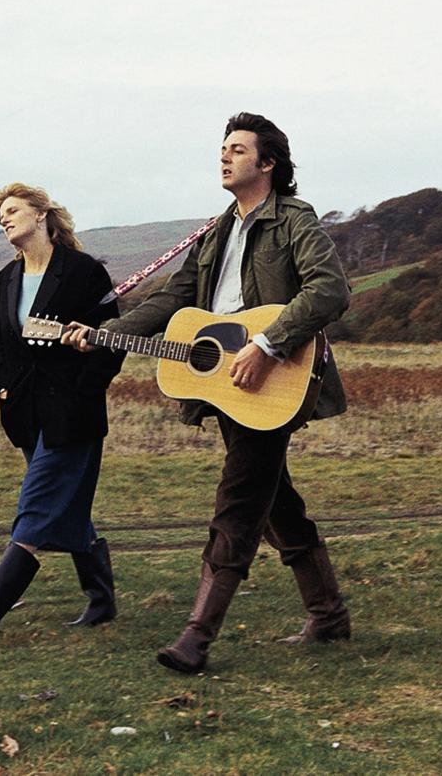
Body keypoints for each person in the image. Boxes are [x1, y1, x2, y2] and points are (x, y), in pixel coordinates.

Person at [65, 113, 352, 673]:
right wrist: (104, 336)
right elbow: (173, 300)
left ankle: (197, 636)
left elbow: (330, 290)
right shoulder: (215, 232)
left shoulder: (294, 219)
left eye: (238, 150)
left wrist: (267, 344)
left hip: (273, 374)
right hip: (225, 385)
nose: (224, 157)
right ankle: (329, 613)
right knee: (276, 501)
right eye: (223, 149)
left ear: (267, 164)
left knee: (240, 500)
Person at [0, 183, 124, 640]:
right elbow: (6, 345)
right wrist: (0, 389)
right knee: (68, 501)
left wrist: (88, 385)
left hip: (74, 409)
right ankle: (101, 598)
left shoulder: (82, 272)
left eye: (12, 210)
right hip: (24, 411)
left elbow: (114, 338)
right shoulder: (8, 276)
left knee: (40, 500)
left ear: (41, 214)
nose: (4, 219)